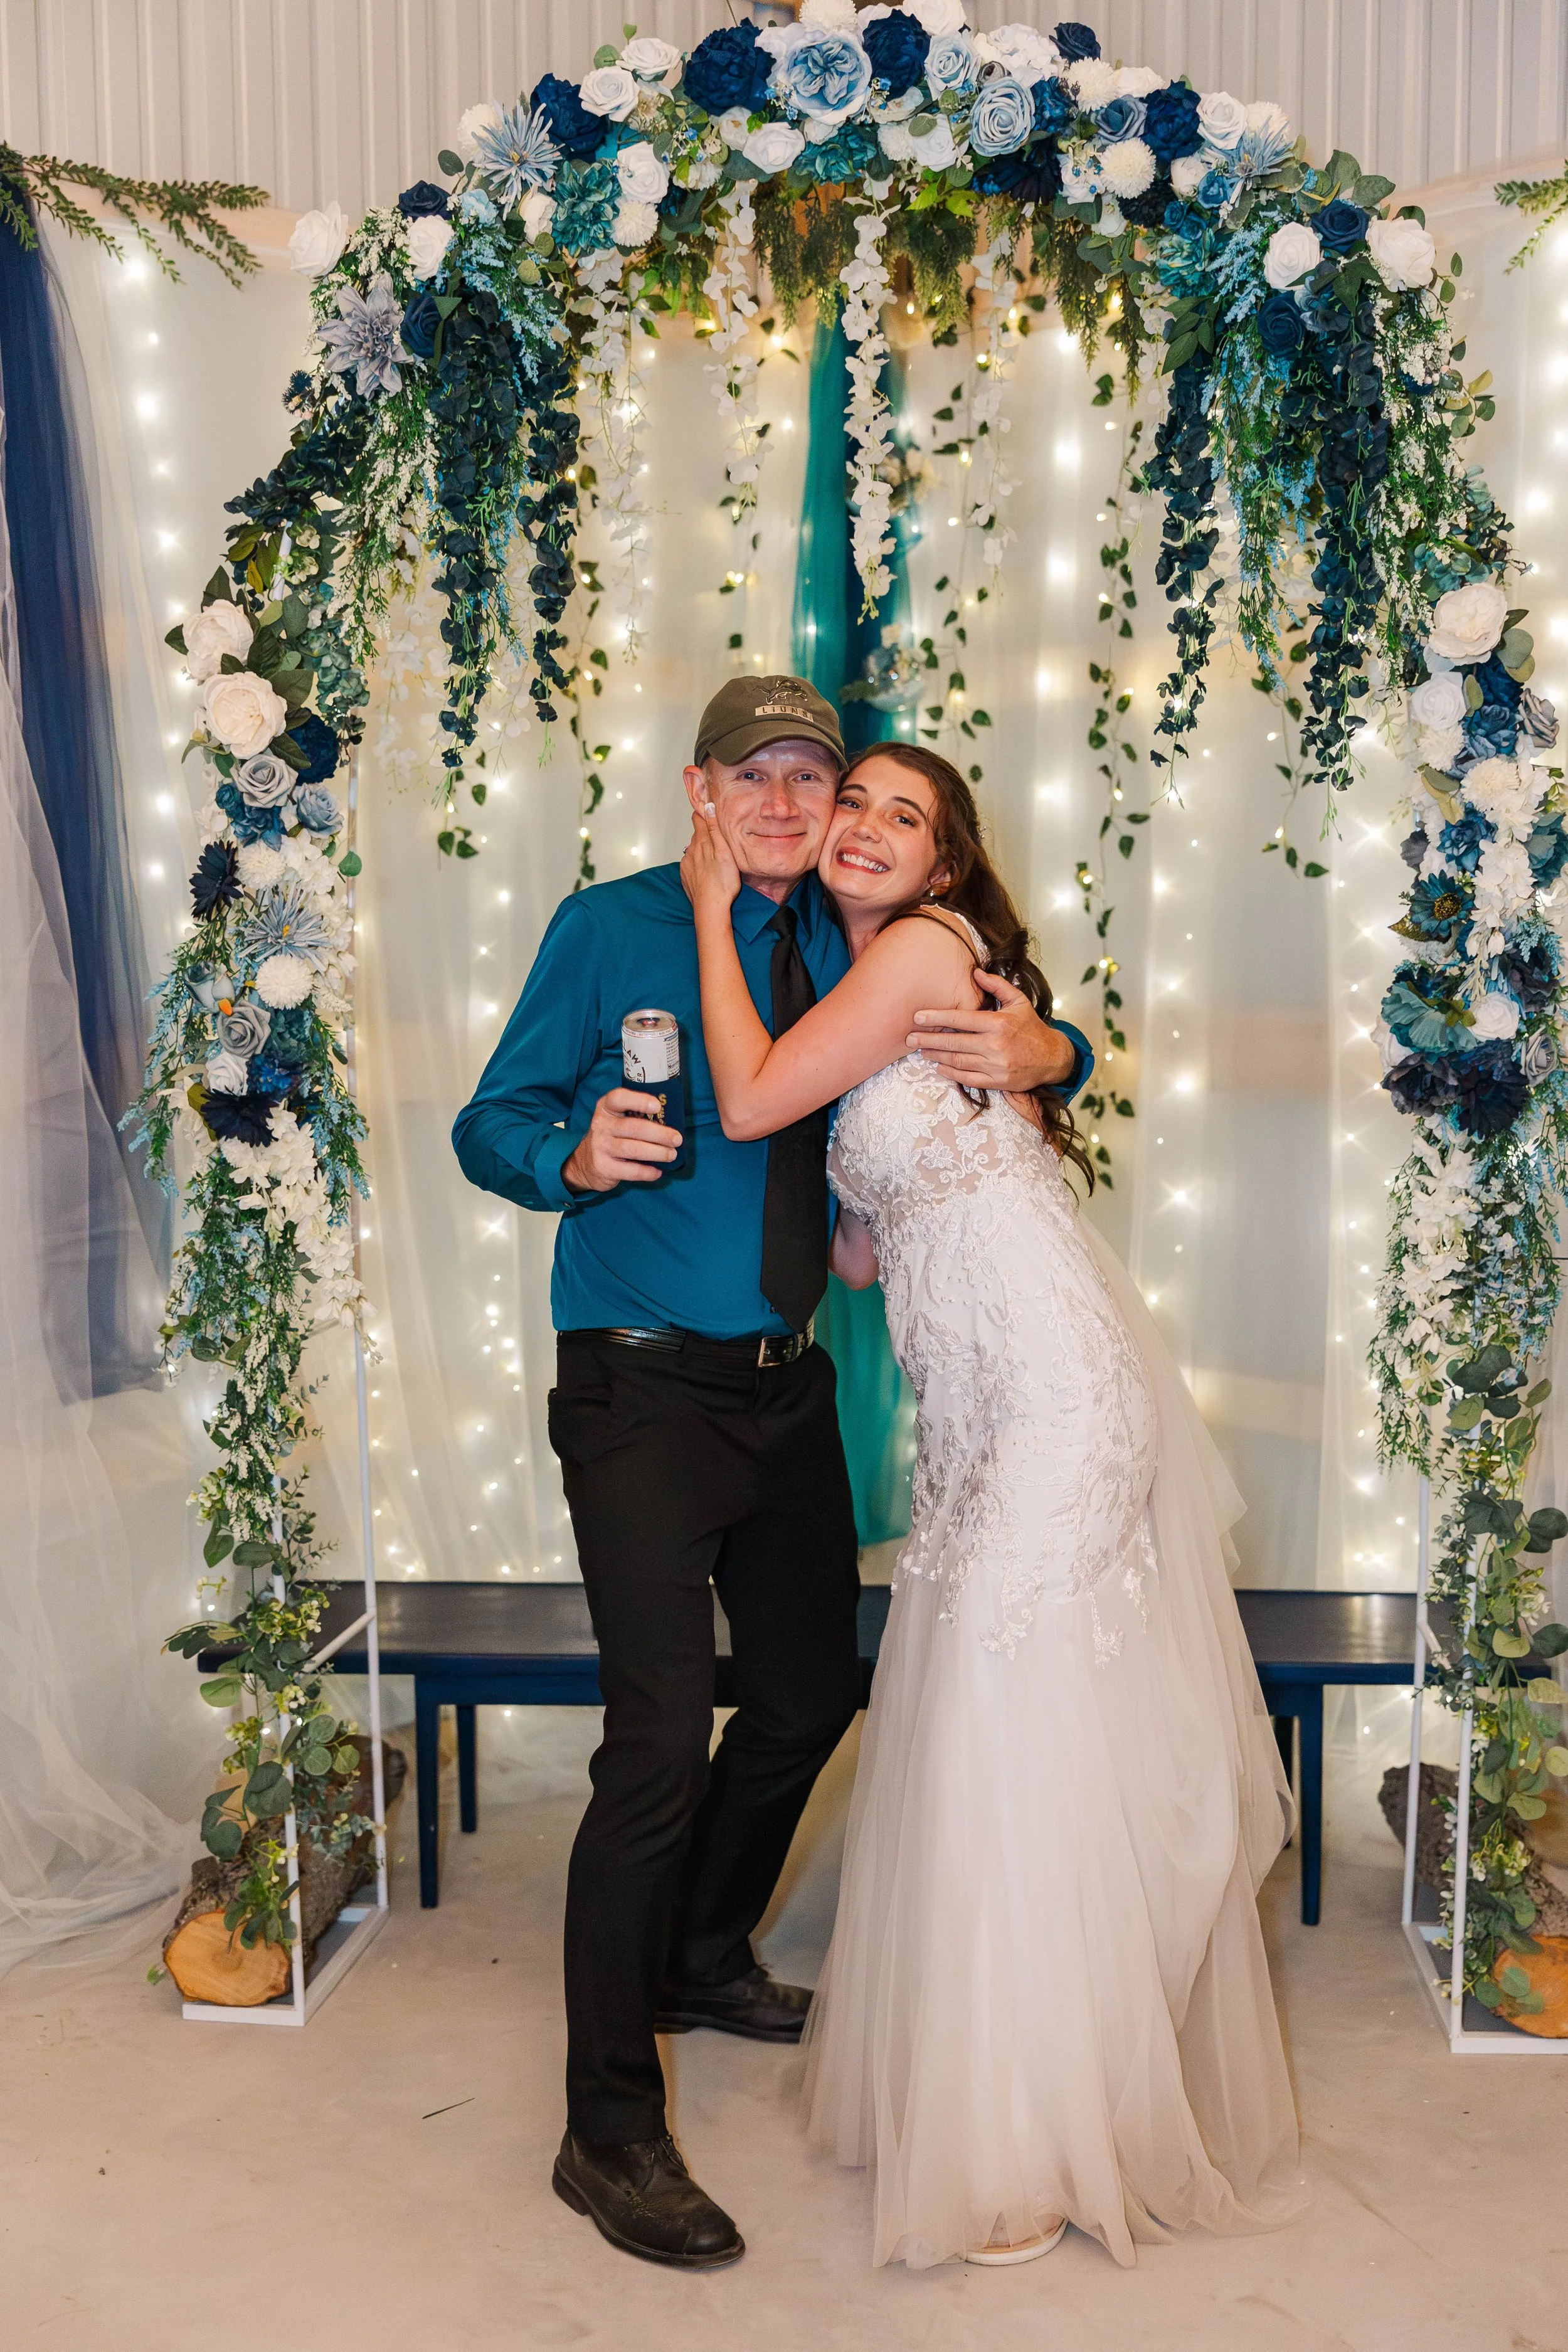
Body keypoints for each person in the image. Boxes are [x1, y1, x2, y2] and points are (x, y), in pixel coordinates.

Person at [451, 677, 1091, 2270]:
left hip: (786, 1394)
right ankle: (606, 2130)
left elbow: (988, 1042)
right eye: (763, 776)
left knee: (810, 1695)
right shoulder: (608, 928)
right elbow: (489, 1118)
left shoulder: (846, 942)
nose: (795, 805)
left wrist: (1055, 1045)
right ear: (701, 789)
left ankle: (704, 1953)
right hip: (641, 1393)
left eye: (816, 779)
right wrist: (566, 1155)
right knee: (660, 1742)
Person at [681, 739, 1305, 2270]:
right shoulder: (882, 993)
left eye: (912, 816)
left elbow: (755, 1095)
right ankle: (1002, 2091)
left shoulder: (916, 954)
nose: (874, 829)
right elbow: (859, 1257)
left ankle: (1037, 2137)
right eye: (860, 807)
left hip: (1054, 1395)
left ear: (946, 871)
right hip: (977, 1414)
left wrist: (707, 910)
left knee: (1010, 1728)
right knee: (988, 1728)